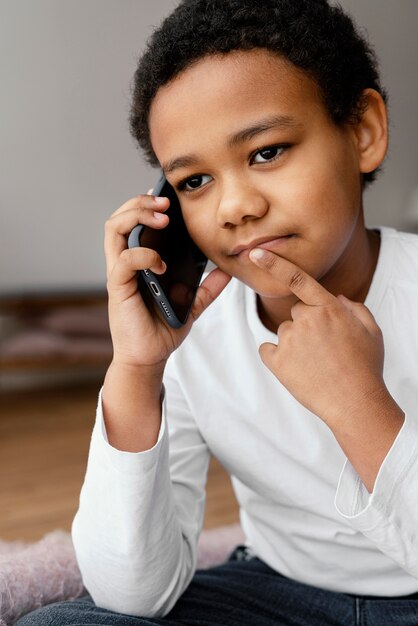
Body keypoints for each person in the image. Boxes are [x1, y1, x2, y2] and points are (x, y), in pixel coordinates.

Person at [16, 0, 418, 624]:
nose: (234, 207)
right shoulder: (196, 332)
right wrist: (137, 372)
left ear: (363, 131)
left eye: (266, 152)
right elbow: (134, 596)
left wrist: (358, 406)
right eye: (194, 182)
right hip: (274, 593)